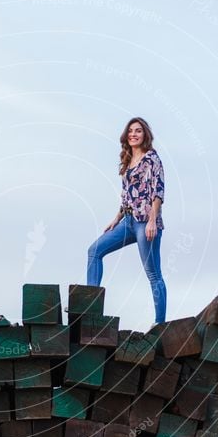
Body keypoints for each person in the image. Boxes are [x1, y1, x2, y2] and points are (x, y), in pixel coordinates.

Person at [86, 117, 167, 327]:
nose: (134, 134)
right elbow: (127, 195)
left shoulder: (152, 158)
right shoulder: (128, 160)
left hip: (145, 223)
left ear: (145, 134)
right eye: (130, 130)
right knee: (94, 251)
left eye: (138, 130)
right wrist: (117, 218)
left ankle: (159, 323)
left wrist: (152, 221)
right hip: (128, 221)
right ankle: (89, 308)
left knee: (153, 273)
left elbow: (158, 191)